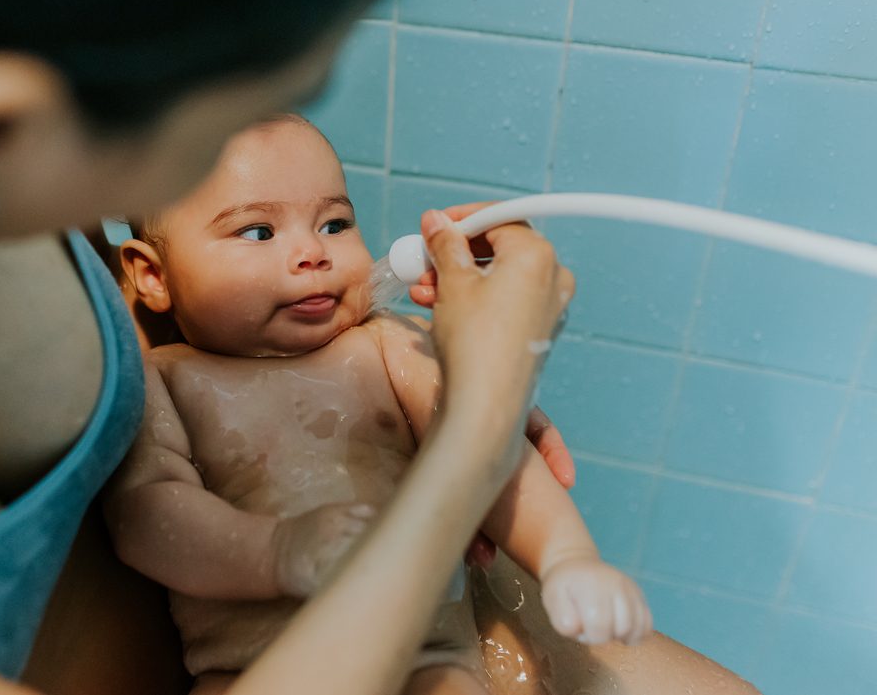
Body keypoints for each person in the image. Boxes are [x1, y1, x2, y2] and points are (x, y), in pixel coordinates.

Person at [0, 0, 757, 693]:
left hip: (425, 624)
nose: (312, 248)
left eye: (332, 217)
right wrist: (475, 429)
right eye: (219, 137)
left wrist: (480, 453)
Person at [106, 115, 651, 694]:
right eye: (258, 232)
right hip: (244, 667)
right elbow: (145, 515)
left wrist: (567, 558)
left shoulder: (385, 343)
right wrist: (274, 553)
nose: (312, 252)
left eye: (335, 224)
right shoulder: (165, 380)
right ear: (153, 276)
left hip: (425, 655)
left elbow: (493, 449)